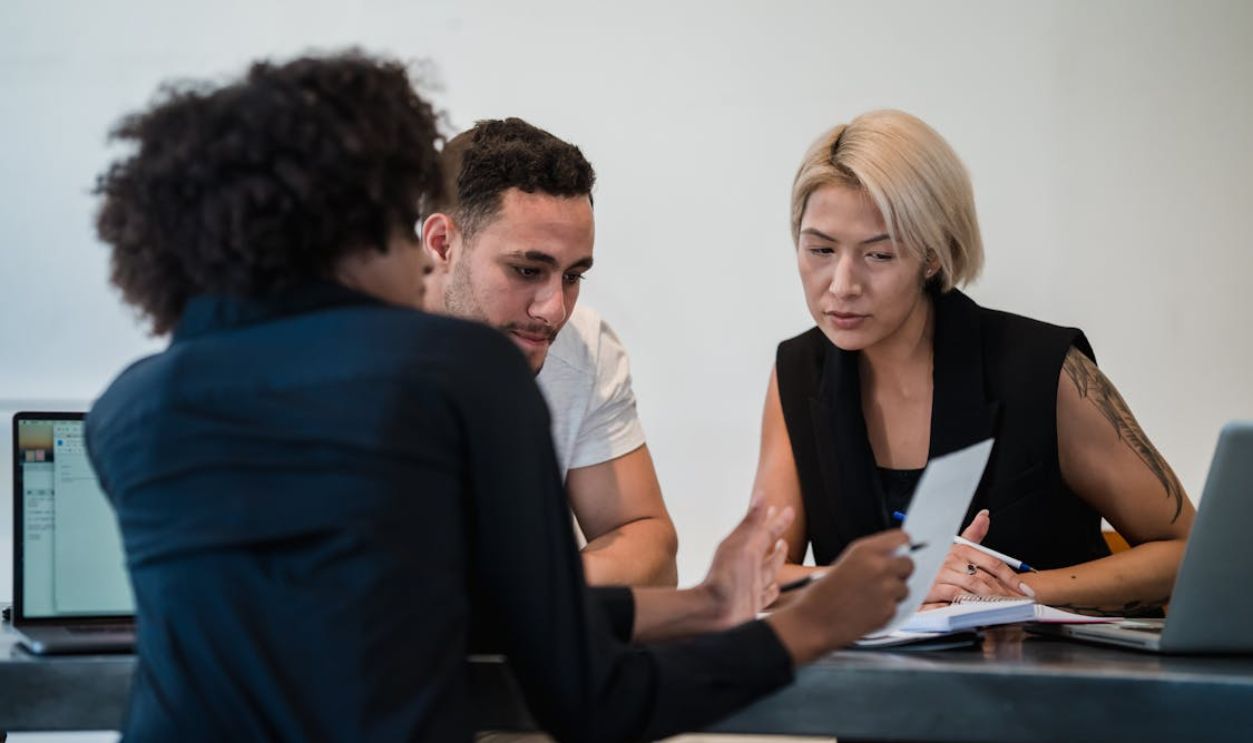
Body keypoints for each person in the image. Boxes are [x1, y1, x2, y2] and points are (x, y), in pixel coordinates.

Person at [86, 51, 913, 741]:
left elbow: (414, 612)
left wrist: (700, 602)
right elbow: (591, 699)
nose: (414, 259)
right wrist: (805, 627)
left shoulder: (130, 412)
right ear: (357, 224)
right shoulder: (457, 371)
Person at [753, 109, 1194, 615]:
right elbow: (759, 576)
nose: (842, 285)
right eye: (821, 249)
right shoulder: (797, 371)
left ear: (932, 255)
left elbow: (1187, 552)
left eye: (878, 255)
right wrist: (891, 583)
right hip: (873, 689)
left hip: (1047, 681)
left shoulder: (1043, 372)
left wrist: (1013, 594)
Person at [421, 118, 677, 587]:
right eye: (525, 270)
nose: (554, 310)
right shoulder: (349, 353)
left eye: (573, 276)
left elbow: (649, 545)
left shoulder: (583, 345)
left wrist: (527, 593)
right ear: (442, 244)